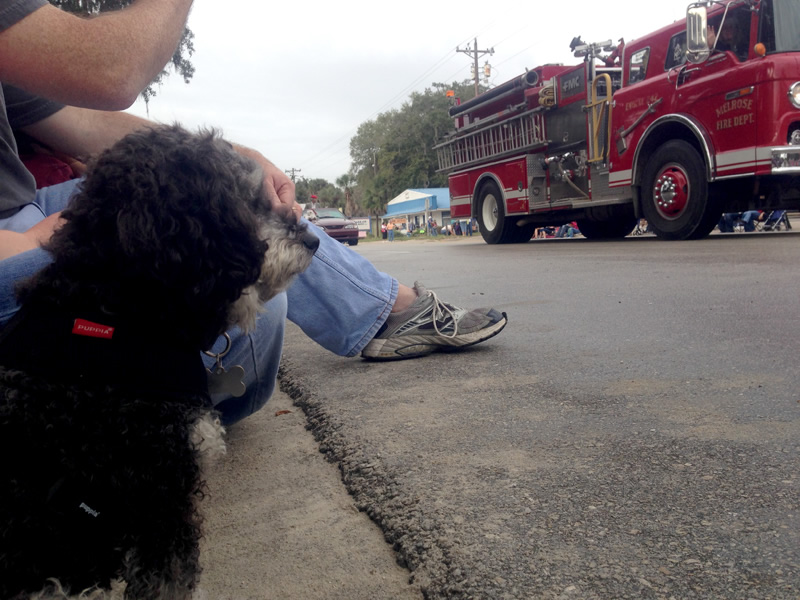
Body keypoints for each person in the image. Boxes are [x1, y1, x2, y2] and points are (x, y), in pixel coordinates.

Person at [0, 0, 507, 425]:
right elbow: (110, 71)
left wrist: (237, 161)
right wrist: (32, 241)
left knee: (236, 213)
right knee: (251, 311)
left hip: (29, 210)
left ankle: (381, 309)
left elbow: (93, 123)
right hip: (13, 243)